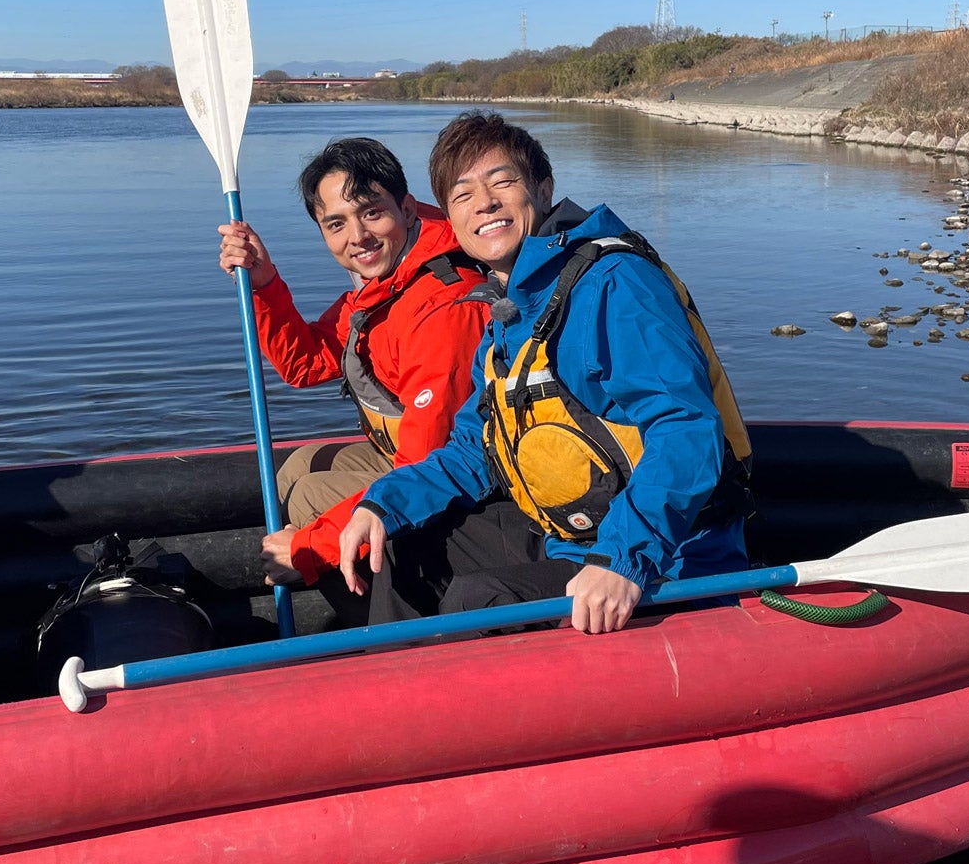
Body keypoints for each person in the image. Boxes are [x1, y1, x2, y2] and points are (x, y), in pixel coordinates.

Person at [336, 112, 751, 634]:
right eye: (462, 195)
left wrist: (621, 560)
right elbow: (475, 451)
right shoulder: (508, 312)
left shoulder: (615, 284)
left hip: (671, 557)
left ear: (544, 188)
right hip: (571, 536)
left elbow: (685, 429)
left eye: (502, 182)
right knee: (398, 546)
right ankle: (396, 699)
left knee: (479, 596)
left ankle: (456, 707)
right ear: (450, 218)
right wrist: (383, 503)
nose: (483, 203)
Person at [220, 136, 488, 605]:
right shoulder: (386, 284)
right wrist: (264, 283)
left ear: (406, 209)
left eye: (371, 212)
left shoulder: (442, 305)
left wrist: (306, 548)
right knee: (299, 466)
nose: (357, 237)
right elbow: (306, 363)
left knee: (307, 499)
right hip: (408, 453)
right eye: (336, 224)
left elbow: (430, 461)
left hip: (454, 475)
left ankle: (371, 623)